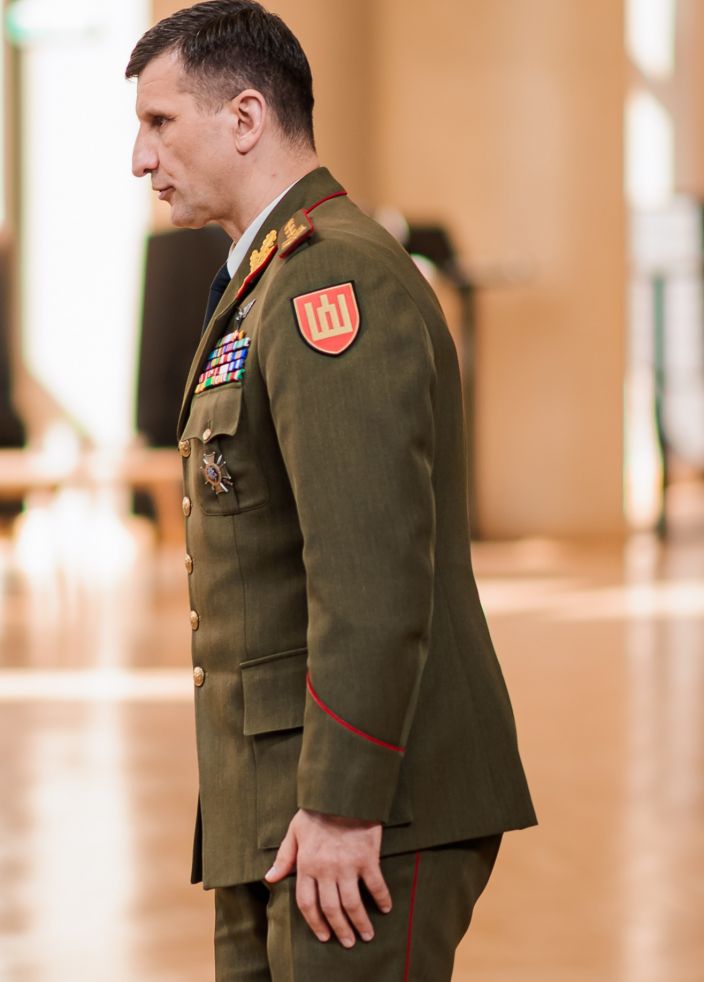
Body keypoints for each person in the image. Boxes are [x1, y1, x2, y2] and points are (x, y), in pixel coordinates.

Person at [125, 3, 535, 979]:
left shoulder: (330, 282)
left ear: (245, 118)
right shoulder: (266, 280)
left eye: (159, 123)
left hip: (365, 805)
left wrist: (345, 802)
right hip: (276, 793)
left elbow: (370, 569)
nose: (141, 159)